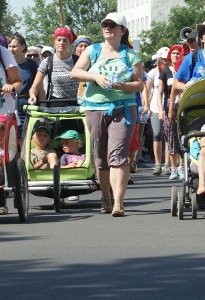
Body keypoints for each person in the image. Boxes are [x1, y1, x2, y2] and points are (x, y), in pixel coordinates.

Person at [71, 12, 144, 217]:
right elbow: (75, 72)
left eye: (113, 25)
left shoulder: (131, 55)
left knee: (118, 156)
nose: (108, 28)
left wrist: (124, 85)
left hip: (123, 108)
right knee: (100, 158)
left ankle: (119, 203)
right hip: (95, 108)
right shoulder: (93, 51)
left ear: (122, 30)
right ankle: (105, 197)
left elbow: (139, 84)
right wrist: (94, 76)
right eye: (105, 24)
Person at [28, 27, 80, 104]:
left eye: (65, 40)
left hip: (77, 104)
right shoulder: (47, 62)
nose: (61, 43)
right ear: (54, 42)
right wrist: (32, 95)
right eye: (59, 40)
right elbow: (35, 86)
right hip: (55, 105)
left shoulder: (78, 60)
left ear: (70, 43)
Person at [160, 45, 184, 179]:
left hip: (181, 107)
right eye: (173, 53)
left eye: (178, 53)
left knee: (181, 137)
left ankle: (181, 166)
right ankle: (173, 168)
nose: (175, 55)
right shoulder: (165, 72)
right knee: (170, 138)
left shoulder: (183, 70)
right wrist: (160, 110)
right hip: (168, 107)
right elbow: (159, 93)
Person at [8, 32, 39, 134]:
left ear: (23, 47)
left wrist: (41, 109)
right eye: (10, 46)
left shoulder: (31, 64)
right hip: (9, 108)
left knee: (25, 139)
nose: (11, 49)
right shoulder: (5, 64)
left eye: (15, 46)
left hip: (26, 109)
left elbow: (39, 87)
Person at [145, 47, 169, 176]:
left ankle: (167, 165)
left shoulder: (173, 71)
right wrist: (147, 106)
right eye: (164, 59)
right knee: (157, 134)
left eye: (168, 59)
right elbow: (147, 89)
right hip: (155, 107)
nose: (166, 61)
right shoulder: (153, 73)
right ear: (159, 59)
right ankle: (157, 164)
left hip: (169, 106)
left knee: (168, 136)